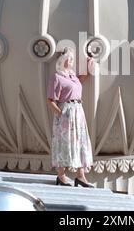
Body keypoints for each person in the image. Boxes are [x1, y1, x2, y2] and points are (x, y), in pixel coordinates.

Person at [46, 47, 94, 187]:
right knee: (64, 143)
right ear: (62, 60)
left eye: (72, 59)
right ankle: (61, 175)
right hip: (66, 111)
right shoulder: (57, 77)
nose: (71, 61)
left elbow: (81, 79)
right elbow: (50, 99)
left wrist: (88, 63)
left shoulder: (72, 76)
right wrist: (60, 113)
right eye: (69, 58)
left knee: (80, 142)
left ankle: (81, 176)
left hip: (78, 111)